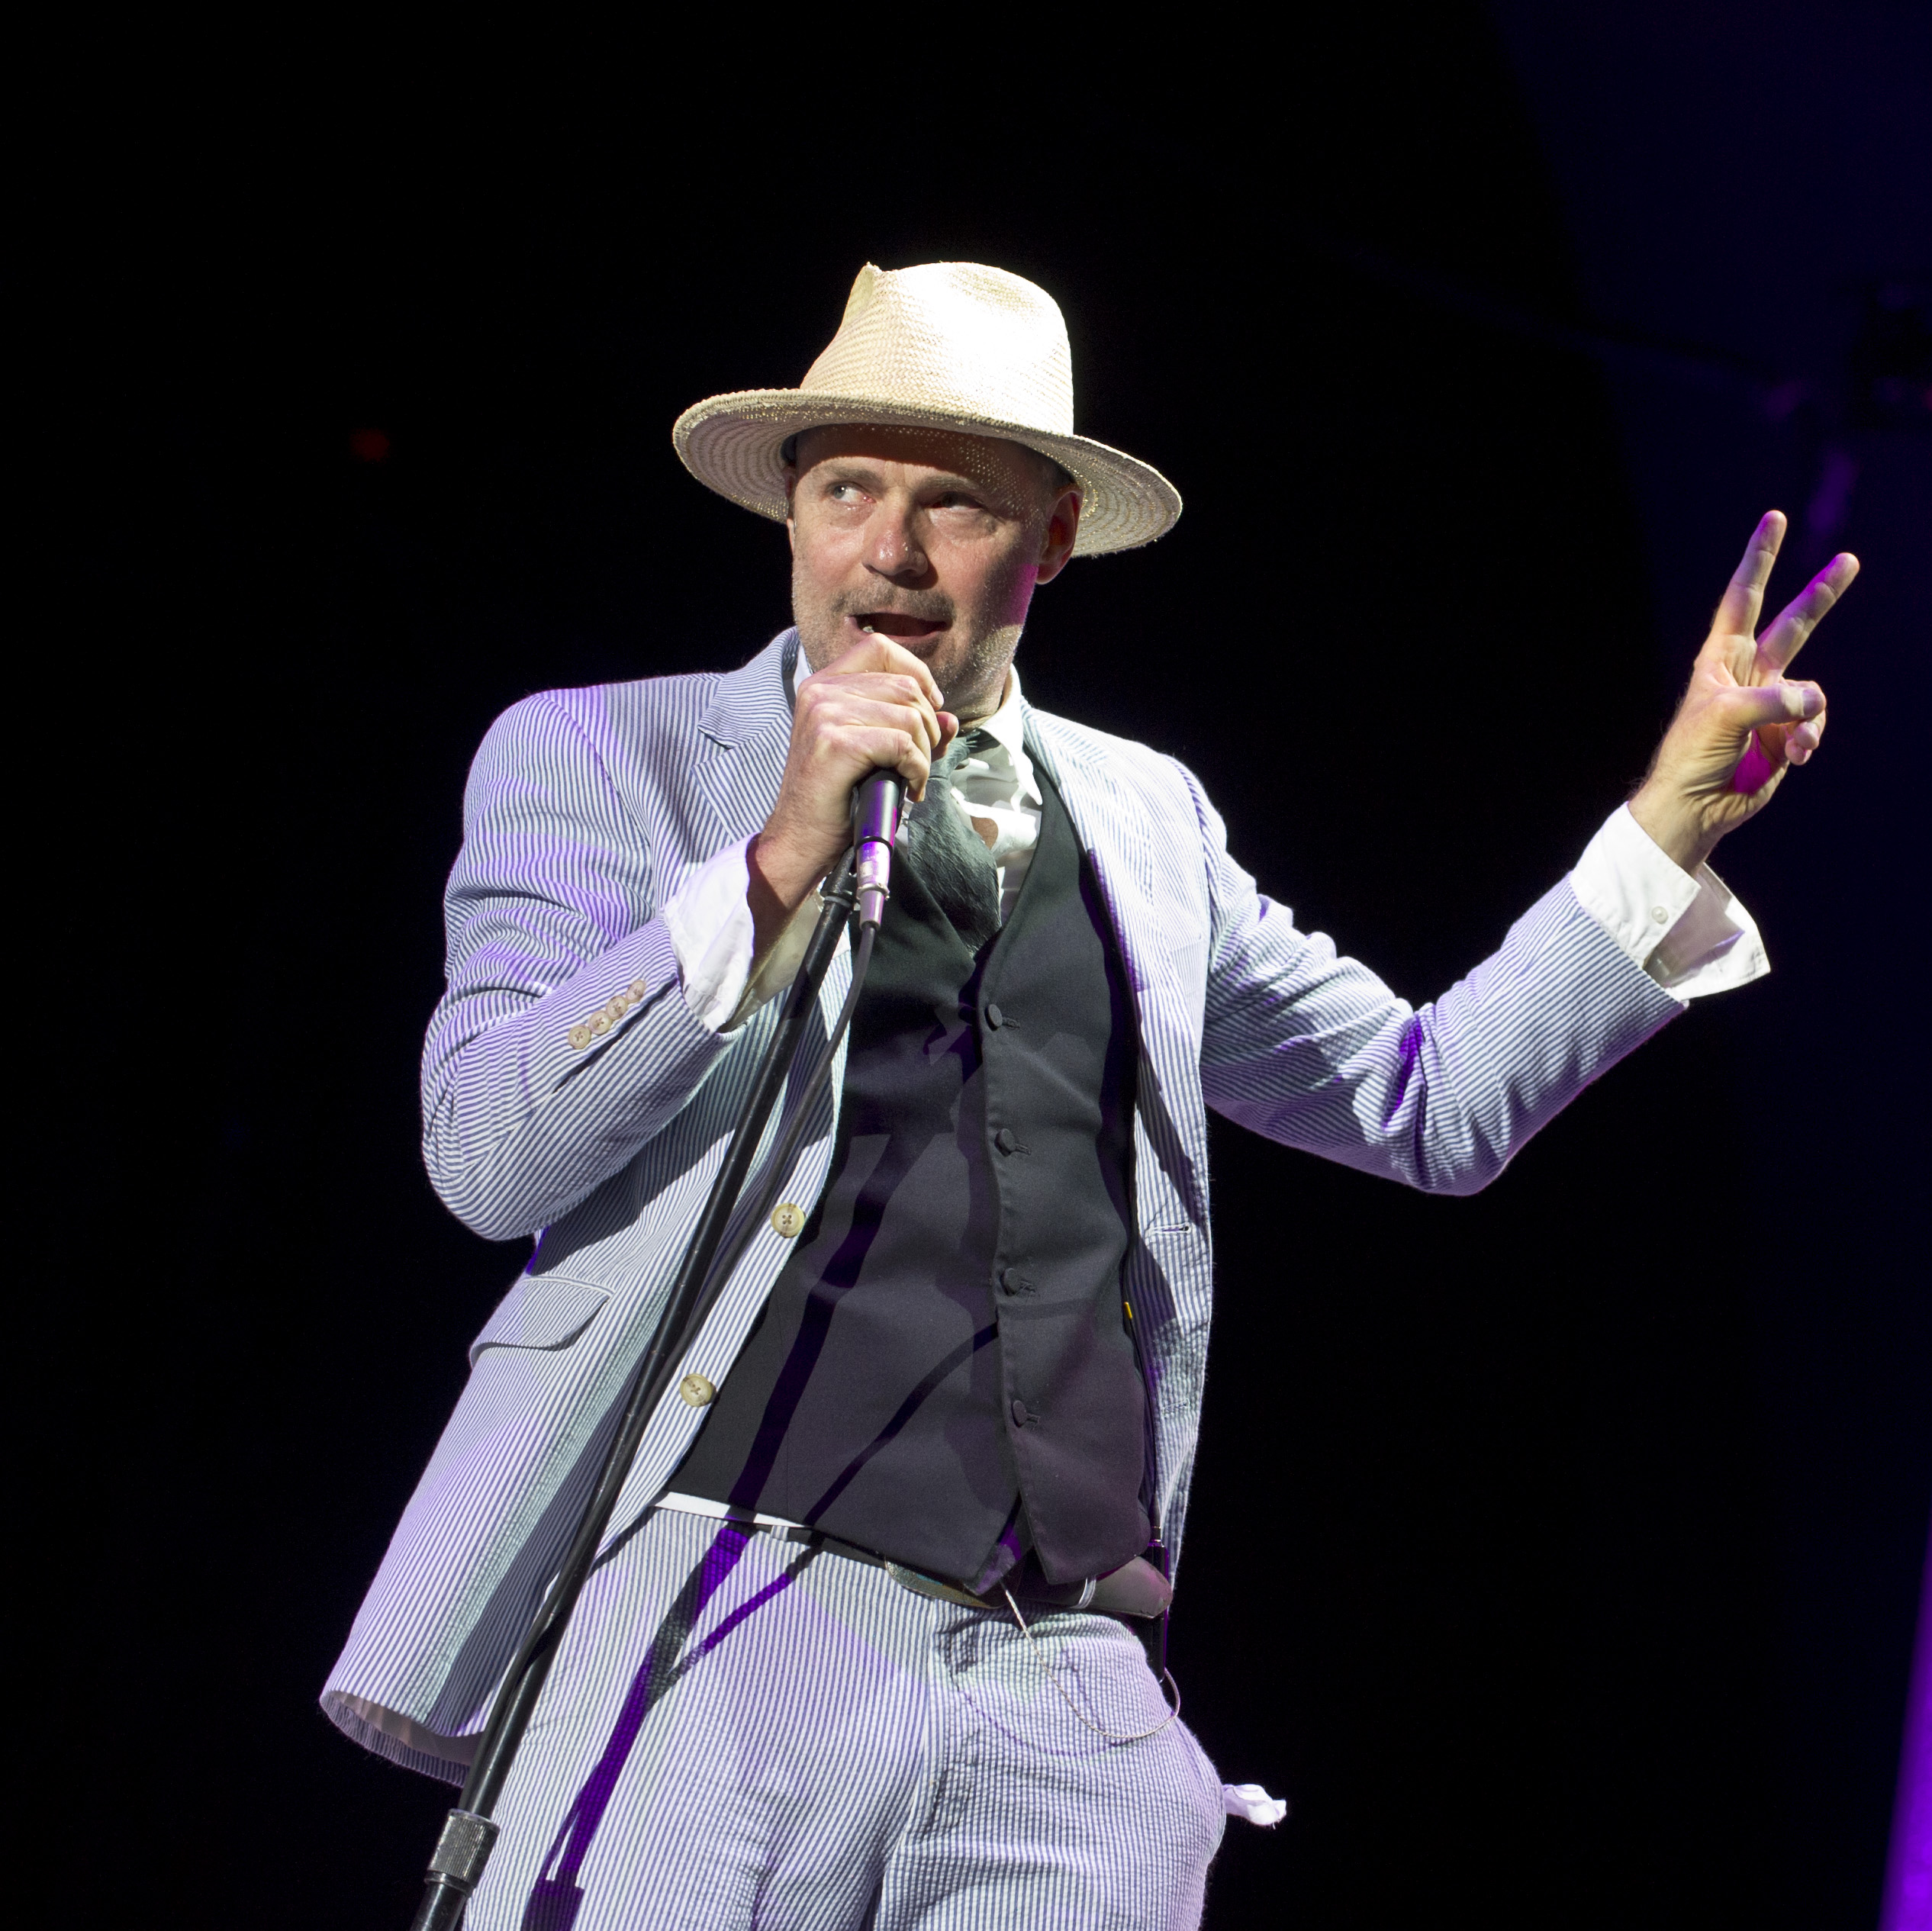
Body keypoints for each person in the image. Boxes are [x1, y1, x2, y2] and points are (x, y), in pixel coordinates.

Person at [320, 259, 1853, 1928]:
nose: (888, 554)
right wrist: (777, 859)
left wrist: (1666, 830)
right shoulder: (603, 757)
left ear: (1050, 538)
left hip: (1067, 1680)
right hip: (712, 1607)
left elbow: (1425, 1105)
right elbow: (491, 1151)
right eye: (847, 491)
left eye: (954, 505)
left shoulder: (1146, 819)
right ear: (790, 512)